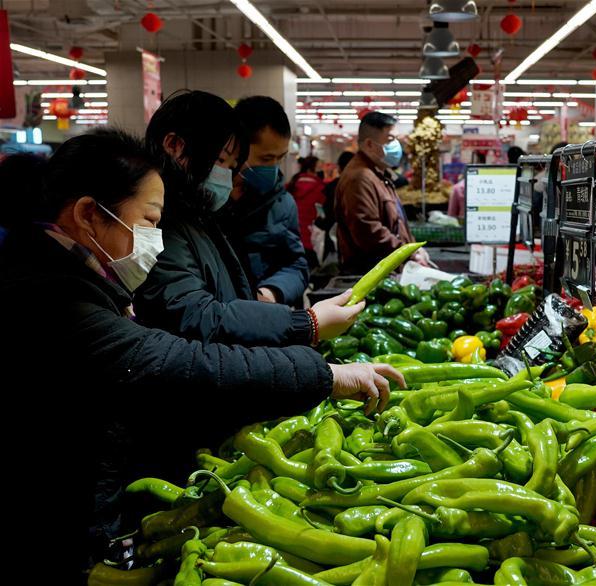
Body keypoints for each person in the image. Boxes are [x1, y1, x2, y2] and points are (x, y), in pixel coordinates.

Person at [0, 129, 403, 582]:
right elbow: (170, 360)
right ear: (89, 214)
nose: (156, 238)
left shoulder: (71, 275)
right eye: (149, 220)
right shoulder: (47, 296)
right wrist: (324, 374)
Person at [134, 90, 359, 346]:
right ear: (174, 146)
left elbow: (290, 264)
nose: (226, 177)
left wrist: (273, 297)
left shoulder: (206, 215)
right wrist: (304, 323)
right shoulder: (159, 223)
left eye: (232, 166)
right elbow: (196, 315)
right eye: (221, 160)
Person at [217, 95, 309, 306]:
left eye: (280, 158)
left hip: (268, 313)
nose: (273, 167)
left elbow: (296, 264)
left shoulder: (283, 203)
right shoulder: (208, 200)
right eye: (266, 158)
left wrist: (271, 293)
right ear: (237, 147)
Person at [334, 111, 429, 273]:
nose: (396, 146)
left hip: (385, 270)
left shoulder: (378, 174)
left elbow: (397, 222)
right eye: (390, 140)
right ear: (369, 144)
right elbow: (369, 232)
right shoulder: (360, 178)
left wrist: (413, 248)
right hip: (370, 275)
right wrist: (407, 253)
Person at [287, 155, 326, 270]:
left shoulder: (291, 186)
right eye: (319, 168)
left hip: (289, 240)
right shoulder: (321, 189)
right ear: (311, 169)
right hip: (310, 241)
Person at [316, 150, 355, 261]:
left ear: (339, 168)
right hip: (358, 241)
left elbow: (325, 215)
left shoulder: (332, 187)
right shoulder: (363, 186)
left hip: (337, 240)